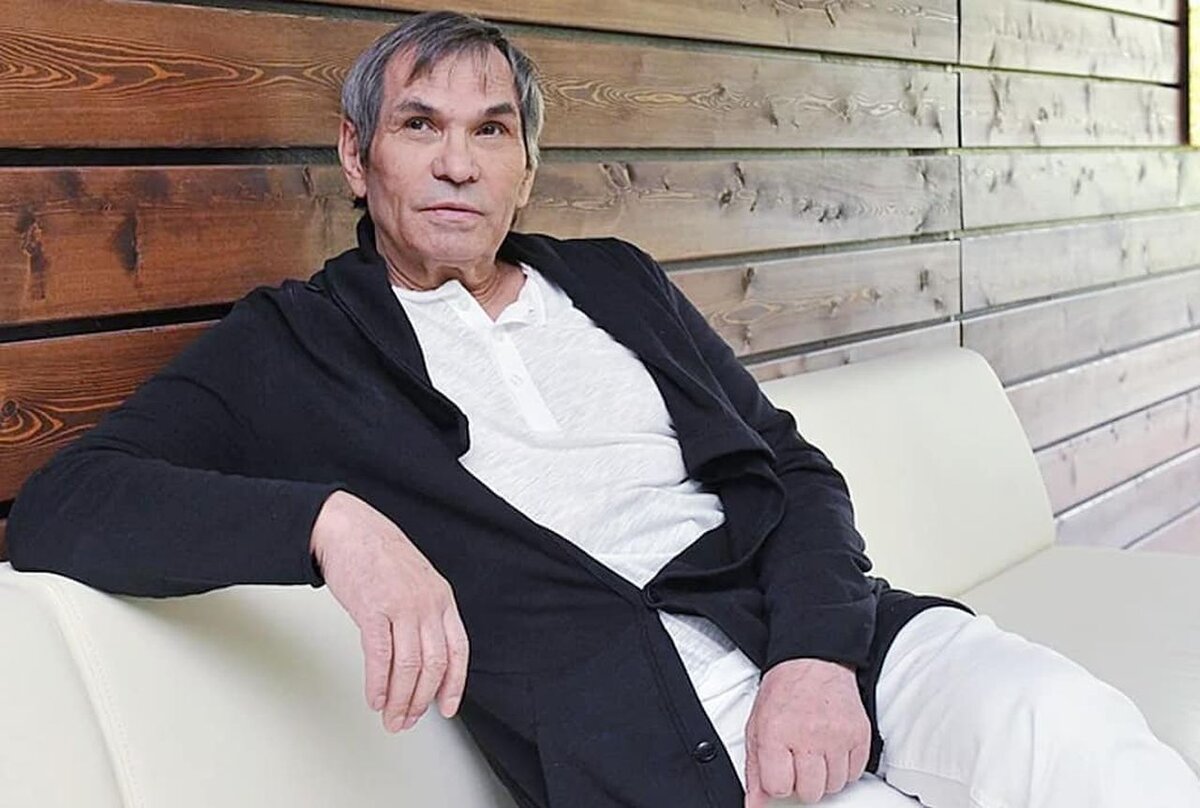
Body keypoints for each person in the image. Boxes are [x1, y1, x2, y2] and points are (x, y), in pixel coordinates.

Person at [7, 11, 1198, 808]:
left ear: (527, 166)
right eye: (420, 126)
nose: (458, 163)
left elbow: (792, 473)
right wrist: (331, 526)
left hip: (834, 636)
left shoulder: (617, 281)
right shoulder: (295, 345)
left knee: (1072, 729)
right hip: (656, 734)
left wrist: (817, 654)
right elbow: (63, 505)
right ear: (358, 156)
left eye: (492, 130)